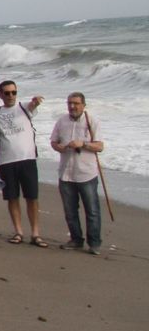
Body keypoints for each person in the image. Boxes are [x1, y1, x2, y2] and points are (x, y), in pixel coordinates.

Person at [0, 80, 46, 246]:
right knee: (12, 198)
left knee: (32, 197)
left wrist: (35, 102)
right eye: (6, 93)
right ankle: (18, 232)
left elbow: (32, 106)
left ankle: (35, 234)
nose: (10, 96)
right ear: (0, 95)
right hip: (6, 161)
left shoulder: (23, 108)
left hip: (27, 159)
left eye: (13, 92)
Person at [50, 92, 106, 255]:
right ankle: (76, 240)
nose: (72, 106)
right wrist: (57, 146)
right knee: (70, 211)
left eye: (75, 103)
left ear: (83, 105)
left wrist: (83, 144)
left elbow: (100, 146)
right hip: (66, 173)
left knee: (92, 210)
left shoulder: (91, 121)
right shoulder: (62, 120)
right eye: (69, 103)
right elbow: (53, 141)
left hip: (86, 173)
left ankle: (94, 243)